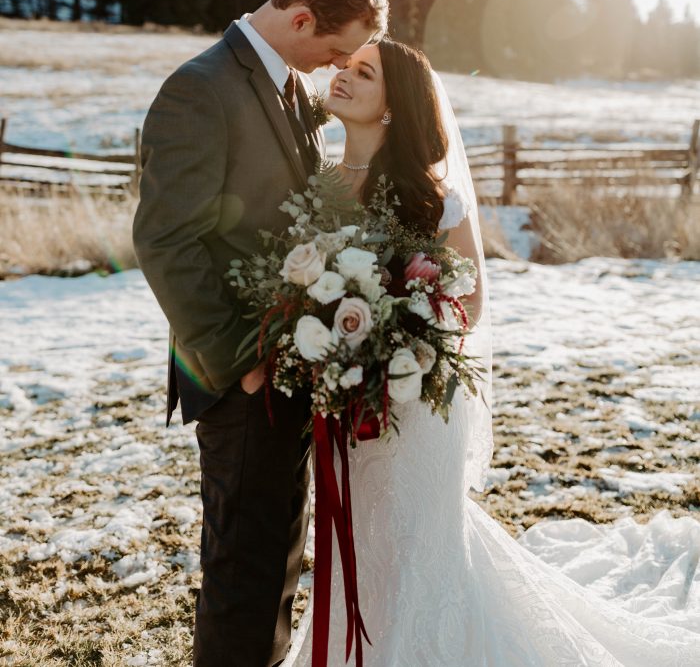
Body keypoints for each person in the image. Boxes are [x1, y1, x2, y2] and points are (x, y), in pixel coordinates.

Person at [282, 37, 700, 667]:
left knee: (423, 542)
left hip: (414, 398)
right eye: (345, 66)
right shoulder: (320, 186)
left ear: (394, 107)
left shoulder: (432, 194)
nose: (342, 75)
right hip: (344, 398)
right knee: (362, 541)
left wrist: (397, 338)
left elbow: (469, 298)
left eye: (363, 72)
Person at [132, 0, 389, 667]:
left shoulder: (285, 87)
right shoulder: (201, 89)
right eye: (338, 50)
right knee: (243, 579)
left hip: (288, 372)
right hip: (242, 380)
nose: (339, 67)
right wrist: (240, 363)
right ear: (303, 19)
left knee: (276, 561)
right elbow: (165, 239)